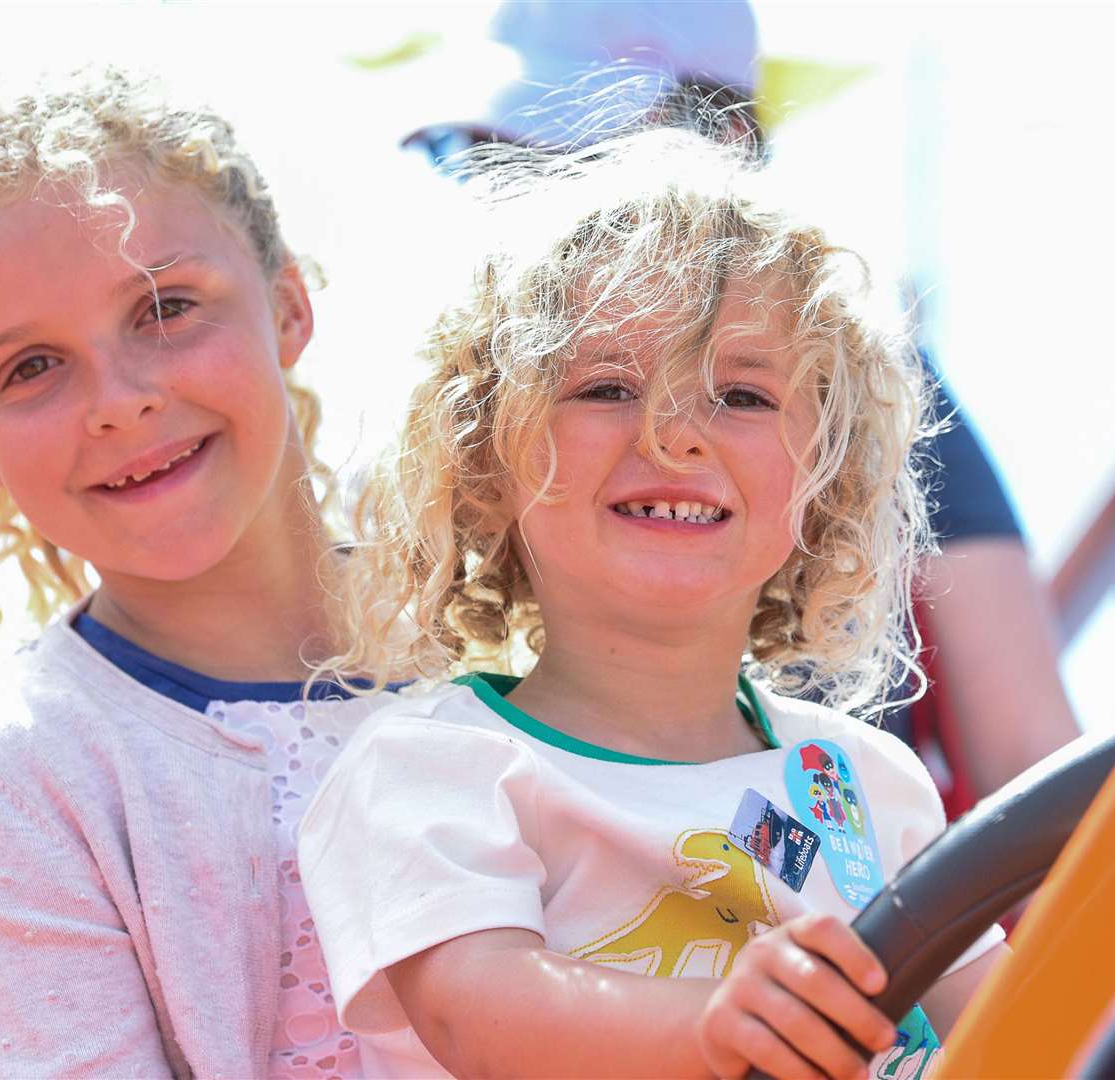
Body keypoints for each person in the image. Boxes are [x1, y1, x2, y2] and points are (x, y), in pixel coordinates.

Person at [298, 129, 1008, 1080]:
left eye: (742, 395)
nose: (673, 434)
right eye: (605, 386)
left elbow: (1028, 1032)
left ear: (822, 480)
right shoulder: (436, 770)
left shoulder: (865, 783)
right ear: (485, 466)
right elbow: (481, 1014)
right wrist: (720, 1023)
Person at [401, 0, 1079, 817]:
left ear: (718, 144)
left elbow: (1026, 752)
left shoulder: (871, 389)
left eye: (545, 153)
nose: (499, 191)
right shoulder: (421, 770)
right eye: (475, 155)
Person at [0, 68, 394, 1077]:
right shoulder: (25, 771)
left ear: (287, 306)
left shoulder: (527, 629)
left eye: (165, 307)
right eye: (30, 368)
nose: (119, 401)